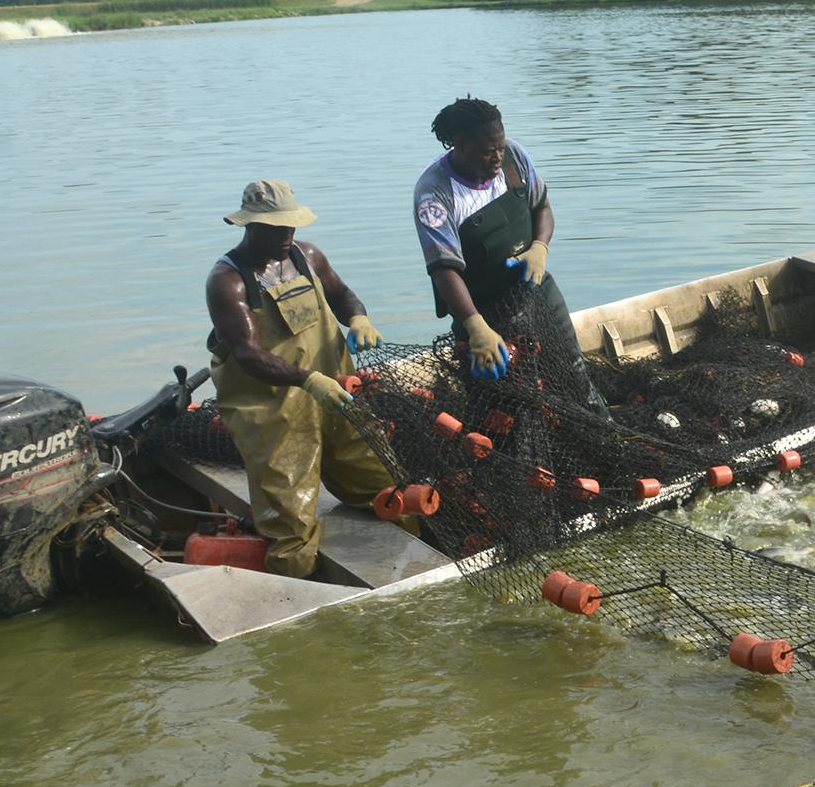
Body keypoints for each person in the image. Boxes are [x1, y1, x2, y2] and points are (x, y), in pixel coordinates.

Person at [205, 179, 397, 578]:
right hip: (274, 413)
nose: (286, 234)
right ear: (250, 226)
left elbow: (344, 295)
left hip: (337, 396)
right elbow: (248, 355)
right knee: (291, 529)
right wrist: (309, 380)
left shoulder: (307, 257)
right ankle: (296, 592)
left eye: (291, 226)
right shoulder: (229, 281)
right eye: (276, 227)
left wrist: (358, 318)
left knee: (387, 486)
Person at [411, 96, 609, 417]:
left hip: (535, 293)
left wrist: (540, 247)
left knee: (575, 377)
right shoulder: (435, 193)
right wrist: (476, 326)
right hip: (482, 312)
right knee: (500, 409)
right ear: (460, 146)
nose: (498, 156)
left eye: (501, 146)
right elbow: (443, 270)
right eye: (490, 151)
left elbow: (542, 207)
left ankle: (603, 434)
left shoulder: (513, 158)